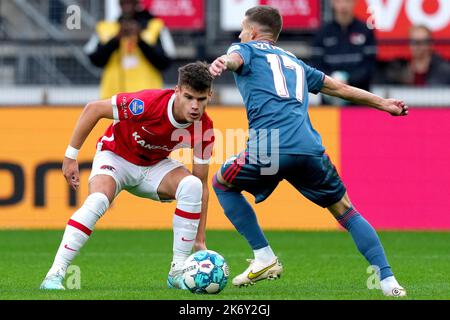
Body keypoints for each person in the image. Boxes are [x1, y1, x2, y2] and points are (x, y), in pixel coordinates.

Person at [209, 5, 408, 297]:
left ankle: (264, 256)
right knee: (346, 211)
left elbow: (235, 58)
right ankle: (390, 283)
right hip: (309, 148)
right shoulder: (296, 63)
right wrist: (384, 104)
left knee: (222, 183)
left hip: (269, 150)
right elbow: (338, 88)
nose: (239, 34)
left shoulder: (245, 48)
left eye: (242, 29)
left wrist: (221, 62)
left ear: (252, 32)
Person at [40, 61, 215, 290]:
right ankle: (54, 274)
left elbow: (202, 184)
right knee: (98, 200)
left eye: (201, 100)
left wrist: (199, 240)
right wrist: (70, 157)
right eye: (189, 97)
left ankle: (178, 271)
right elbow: (94, 109)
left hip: (155, 166)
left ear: (210, 95)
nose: (195, 106)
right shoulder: (147, 103)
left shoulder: (205, 128)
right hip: (115, 157)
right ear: (177, 91)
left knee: (191, 185)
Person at [84, 0, 175, 99]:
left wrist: (140, 41)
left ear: (137, 3)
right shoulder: (105, 27)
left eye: (130, 2)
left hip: (147, 100)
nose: (127, 5)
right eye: (124, 2)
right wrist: (115, 40)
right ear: (119, 3)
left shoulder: (155, 26)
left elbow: (165, 62)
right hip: (113, 100)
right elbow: (94, 59)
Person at [311, 0, 377, 105]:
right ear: (332, 3)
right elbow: (316, 66)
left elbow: (369, 67)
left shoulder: (365, 30)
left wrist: (347, 81)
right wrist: (333, 81)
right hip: (329, 100)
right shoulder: (322, 33)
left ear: (354, 3)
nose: (343, 5)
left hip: (359, 101)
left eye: (347, 1)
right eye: (338, 1)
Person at [382, 25, 450, 86]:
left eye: (422, 42)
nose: (418, 46)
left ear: (430, 44)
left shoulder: (444, 70)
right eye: (414, 42)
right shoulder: (400, 69)